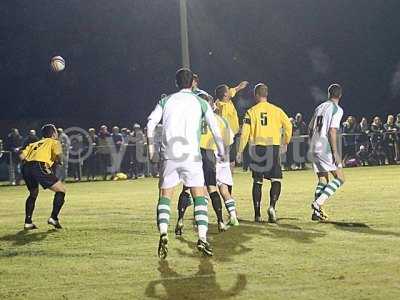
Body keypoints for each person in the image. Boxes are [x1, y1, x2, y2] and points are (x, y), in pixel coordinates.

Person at [146, 68, 225, 259]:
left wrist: (151, 149)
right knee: (199, 196)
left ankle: (164, 233)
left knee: (165, 196)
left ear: (176, 83)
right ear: (192, 83)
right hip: (192, 155)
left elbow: (150, 123)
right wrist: (221, 150)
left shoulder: (166, 101)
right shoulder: (200, 102)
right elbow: (214, 127)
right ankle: (202, 238)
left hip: (169, 154)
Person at [175, 93, 238, 235]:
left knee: (187, 189)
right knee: (212, 188)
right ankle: (221, 222)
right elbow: (229, 141)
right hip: (210, 155)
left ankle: (180, 219)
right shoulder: (219, 120)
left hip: (192, 155)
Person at [237, 83, 292, 223]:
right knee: (276, 179)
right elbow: (288, 125)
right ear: (266, 95)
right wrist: (285, 142)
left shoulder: (251, 111)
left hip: (257, 148)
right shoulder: (277, 110)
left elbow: (245, 133)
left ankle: (257, 214)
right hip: (272, 147)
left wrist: (240, 150)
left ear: (256, 95)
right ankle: (272, 207)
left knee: (257, 181)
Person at [309, 83, 345, 221]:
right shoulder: (337, 109)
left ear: (328, 94)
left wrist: (312, 144)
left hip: (314, 145)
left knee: (323, 179)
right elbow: (332, 130)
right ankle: (318, 203)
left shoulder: (320, 107)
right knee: (340, 178)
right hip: (324, 146)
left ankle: (316, 213)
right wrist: (335, 152)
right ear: (340, 95)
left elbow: (310, 126)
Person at [19, 124, 66, 230]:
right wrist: (59, 161)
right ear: (53, 133)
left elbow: (21, 153)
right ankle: (53, 218)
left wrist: (26, 162)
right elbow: (58, 156)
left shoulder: (35, 143)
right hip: (39, 165)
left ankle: (28, 222)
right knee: (61, 190)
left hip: (26, 167)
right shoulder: (55, 142)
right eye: (56, 131)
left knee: (33, 193)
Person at [215, 81, 249, 172]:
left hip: (230, 137)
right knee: (228, 162)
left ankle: (227, 181)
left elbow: (232, 91)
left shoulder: (224, 101)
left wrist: (239, 87)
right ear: (225, 94)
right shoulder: (223, 107)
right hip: (226, 138)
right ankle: (227, 182)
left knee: (231, 161)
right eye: (228, 90)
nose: (230, 91)